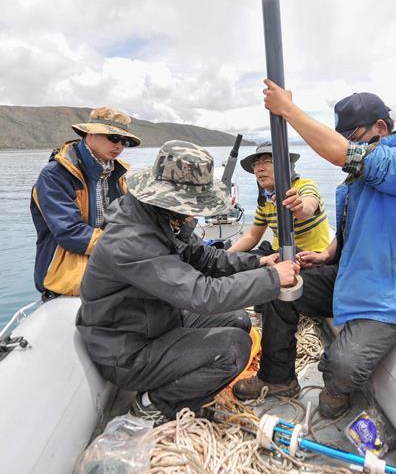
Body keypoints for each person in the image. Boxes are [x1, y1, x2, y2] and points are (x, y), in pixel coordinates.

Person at [233, 80, 396, 419]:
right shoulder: (362, 180)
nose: (348, 146)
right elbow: (352, 226)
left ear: (381, 128)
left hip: (391, 294)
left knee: (339, 369)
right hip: (350, 277)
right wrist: (327, 255)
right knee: (277, 289)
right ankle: (278, 378)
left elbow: (344, 155)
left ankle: (337, 387)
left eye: (353, 137)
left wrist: (288, 110)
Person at [77, 140, 299, 422]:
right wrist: (271, 278)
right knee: (233, 349)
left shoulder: (159, 217)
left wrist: (257, 262)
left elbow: (204, 257)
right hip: (127, 347)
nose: (195, 211)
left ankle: (178, 383)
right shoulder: (131, 240)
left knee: (239, 322)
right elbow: (202, 295)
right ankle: (153, 404)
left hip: (157, 321)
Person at [30, 107, 140, 299]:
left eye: (125, 141)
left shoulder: (117, 176)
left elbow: (128, 222)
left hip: (107, 269)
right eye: (113, 138)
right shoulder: (55, 175)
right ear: (89, 133)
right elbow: (71, 233)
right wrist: (129, 244)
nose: (119, 146)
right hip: (66, 279)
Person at [227, 142, 331, 256]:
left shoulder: (304, 186)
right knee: (235, 264)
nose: (259, 169)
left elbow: (308, 208)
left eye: (267, 162)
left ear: (285, 166)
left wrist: (298, 206)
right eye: (255, 164)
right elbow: (252, 236)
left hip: (309, 256)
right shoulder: (264, 200)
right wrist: (225, 256)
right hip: (276, 252)